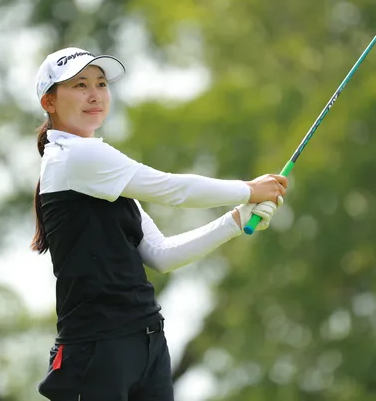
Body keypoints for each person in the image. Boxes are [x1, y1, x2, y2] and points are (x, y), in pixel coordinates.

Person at [31, 47, 287, 401]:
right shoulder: (74, 155)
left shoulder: (104, 171)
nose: (95, 94)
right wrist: (248, 190)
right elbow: (172, 189)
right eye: (79, 85)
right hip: (95, 351)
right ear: (49, 102)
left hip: (146, 343)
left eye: (101, 84)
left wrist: (235, 220)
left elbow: (161, 254)